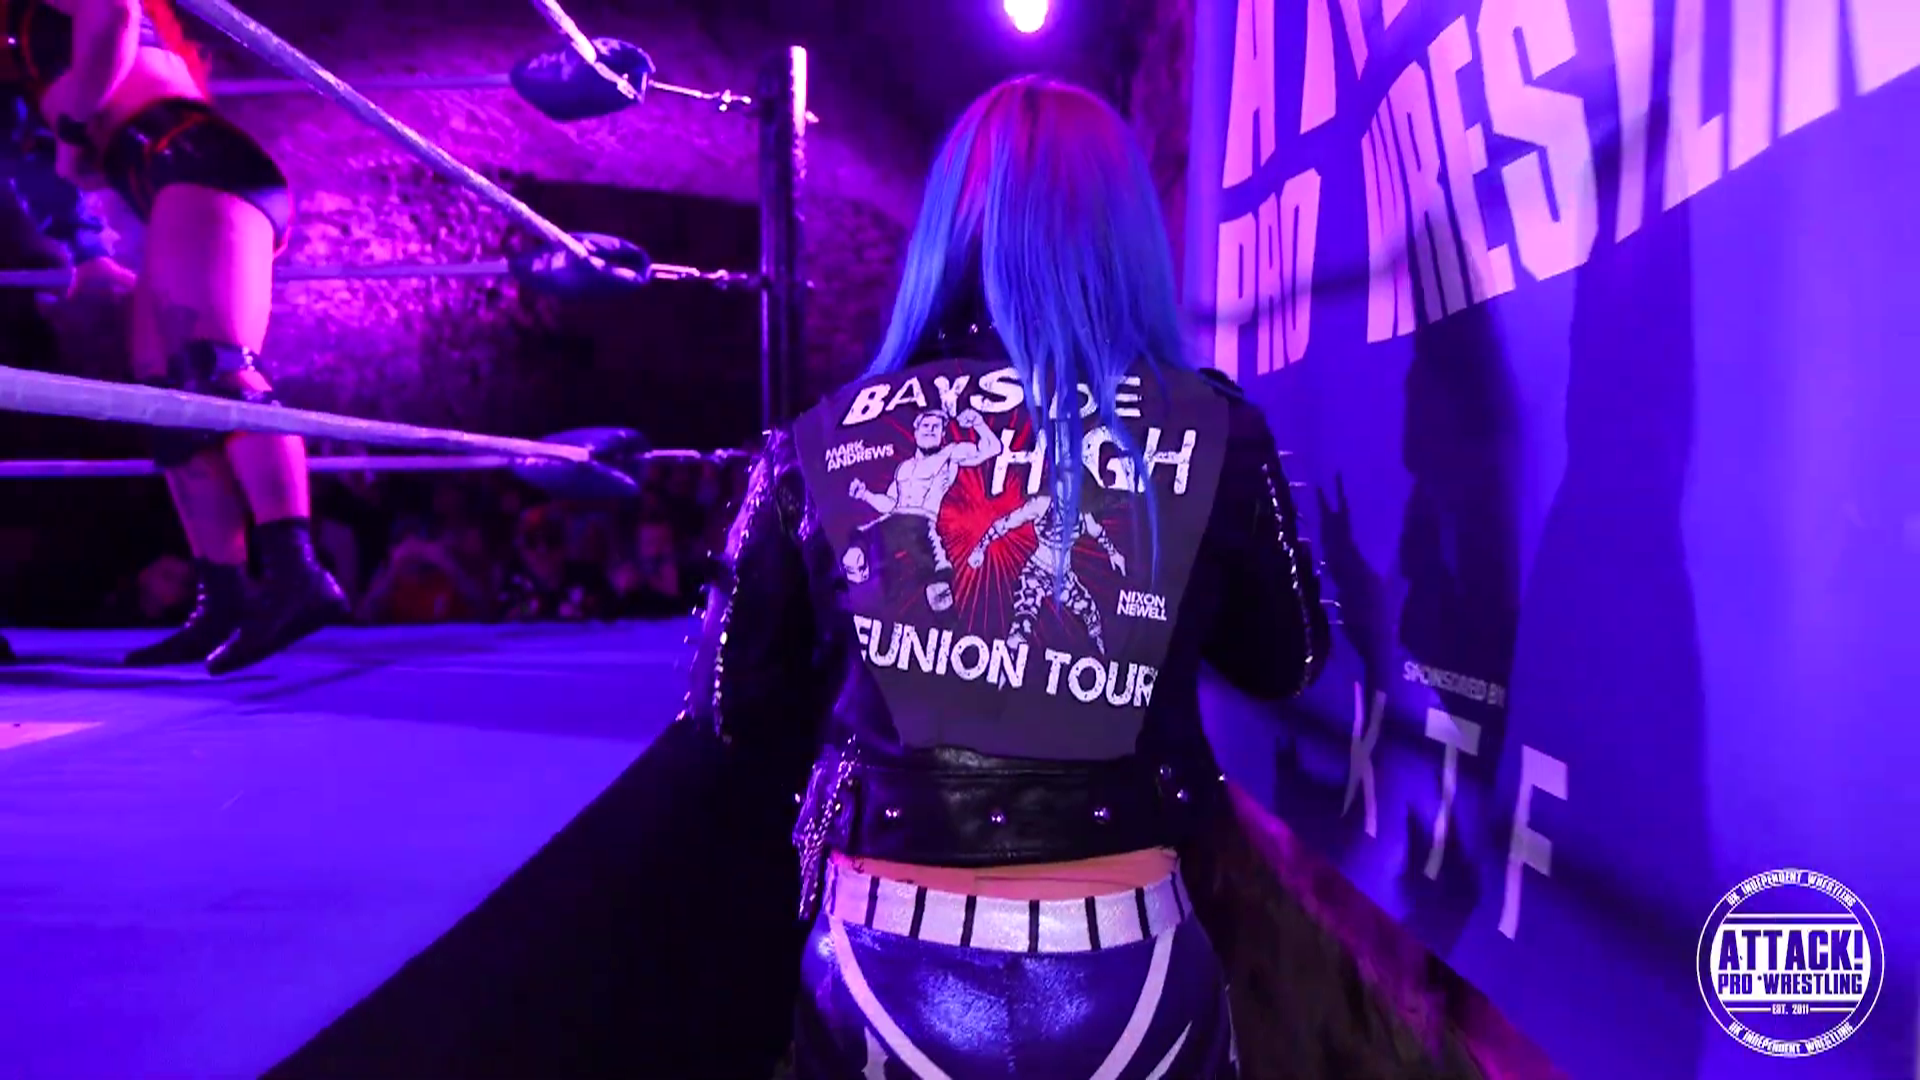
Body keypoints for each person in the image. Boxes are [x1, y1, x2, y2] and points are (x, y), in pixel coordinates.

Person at [680, 77, 1329, 1078]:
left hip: (878, 964)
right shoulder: (1213, 428)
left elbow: (730, 706)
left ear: (950, 229)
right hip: (1131, 958)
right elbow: (1288, 661)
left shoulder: (825, 437)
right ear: (1124, 237)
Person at [4, 0, 347, 673]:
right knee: (166, 400)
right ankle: (225, 596)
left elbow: (112, 14)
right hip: (167, 177)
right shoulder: (18, 36)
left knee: (218, 366)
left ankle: (296, 572)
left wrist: (71, 128)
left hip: (199, 163)